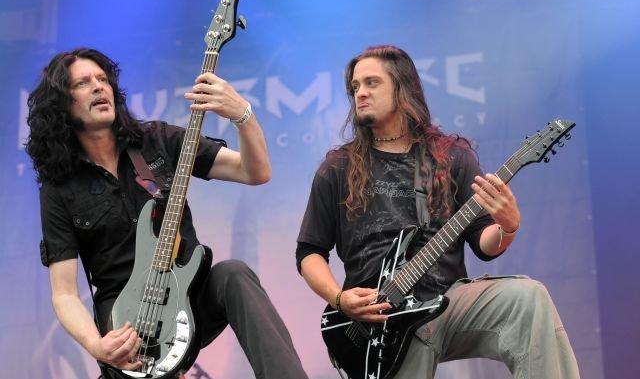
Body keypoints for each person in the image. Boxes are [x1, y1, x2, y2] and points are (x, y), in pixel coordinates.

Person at [296, 45, 579, 378]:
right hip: (380, 320)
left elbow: (484, 243)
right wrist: (340, 299)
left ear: (402, 89)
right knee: (410, 345)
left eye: (372, 83)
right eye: (355, 86)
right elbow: (309, 251)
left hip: (448, 304)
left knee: (527, 299)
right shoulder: (338, 167)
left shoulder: (451, 155)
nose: (360, 93)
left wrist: (508, 226)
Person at [27, 47, 307, 379]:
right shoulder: (59, 189)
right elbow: (64, 294)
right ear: (61, 104)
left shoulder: (156, 139)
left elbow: (255, 171)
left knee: (233, 274)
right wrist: (96, 345)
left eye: (103, 79)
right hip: (128, 325)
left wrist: (242, 115)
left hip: (186, 296)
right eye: (83, 83)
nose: (99, 87)